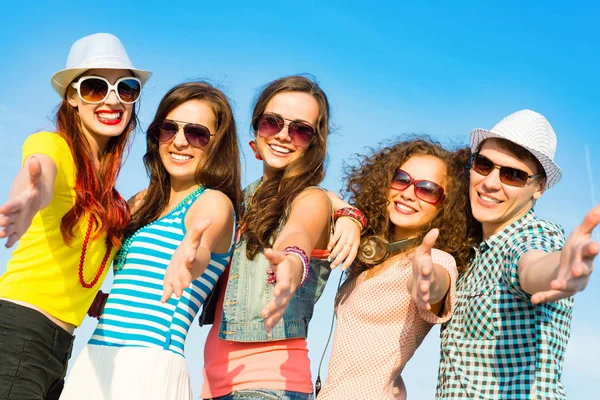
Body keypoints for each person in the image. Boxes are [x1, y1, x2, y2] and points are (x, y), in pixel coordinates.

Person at [175, 75, 361, 400]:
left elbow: (299, 231)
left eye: (301, 129)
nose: (284, 135)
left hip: (268, 387)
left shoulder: (312, 198)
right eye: (272, 123)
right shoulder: (238, 202)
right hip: (215, 386)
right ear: (256, 129)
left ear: (315, 143)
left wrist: (291, 261)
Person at [59, 81, 241, 400]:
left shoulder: (213, 201)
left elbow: (202, 238)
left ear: (217, 144)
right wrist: (104, 300)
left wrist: (189, 250)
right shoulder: (138, 203)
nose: (180, 142)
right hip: (96, 360)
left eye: (197, 133)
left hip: (148, 365)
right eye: (169, 129)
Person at [0, 33, 150, 399]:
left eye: (125, 88)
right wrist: (29, 195)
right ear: (71, 97)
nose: (112, 99)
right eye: (96, 88)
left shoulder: (109, 198)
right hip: (19, 330)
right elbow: (39, 172)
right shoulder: (54, 147)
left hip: (58, 346)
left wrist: (95, 298)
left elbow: (76, 264)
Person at [436, 109, 600, 399]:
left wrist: (561, 271)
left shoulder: (532, 236)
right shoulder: (471, 254)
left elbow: (531, 264)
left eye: (513, 174)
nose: (490, 182)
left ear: (539, 187)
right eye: (484, 164)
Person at [317, 138, 475, 399]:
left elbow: (432, 286)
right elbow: (316, 194)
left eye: (427, 189)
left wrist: (426, 283)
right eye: (401, 179)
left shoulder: (435, 258)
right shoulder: (375, 256)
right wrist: (349, 215)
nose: (409, 193)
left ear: (446, 206)